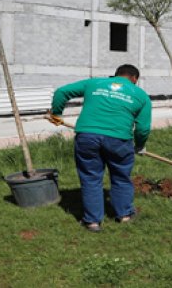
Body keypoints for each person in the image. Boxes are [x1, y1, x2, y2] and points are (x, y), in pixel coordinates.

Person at [49, 64, 152, 232]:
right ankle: (124, 216)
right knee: (121, 176)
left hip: (87, 137)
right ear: (135, 79)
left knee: (91, 178)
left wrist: (56, 113)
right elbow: (143, 128)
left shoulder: (94, 83)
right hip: (119, 140)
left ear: (115, 75)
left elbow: (61, 92)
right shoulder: (140, 95)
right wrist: (140, 144)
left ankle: (92, 222)